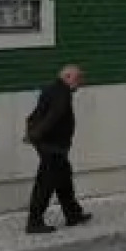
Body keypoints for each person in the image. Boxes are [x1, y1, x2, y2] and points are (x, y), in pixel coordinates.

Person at [24, 64, 91, 234]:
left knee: (64, 180)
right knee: (45, 184)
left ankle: (73, 213)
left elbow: (34, 116)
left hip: (51, 145)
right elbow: (54, 116)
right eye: (78, 79)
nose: (80, 83)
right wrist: (36, 135)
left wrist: (32, 133)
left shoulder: (51, 89)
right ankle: (34, 222)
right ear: (67, 77)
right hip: (53, 147)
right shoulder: (62, 93)